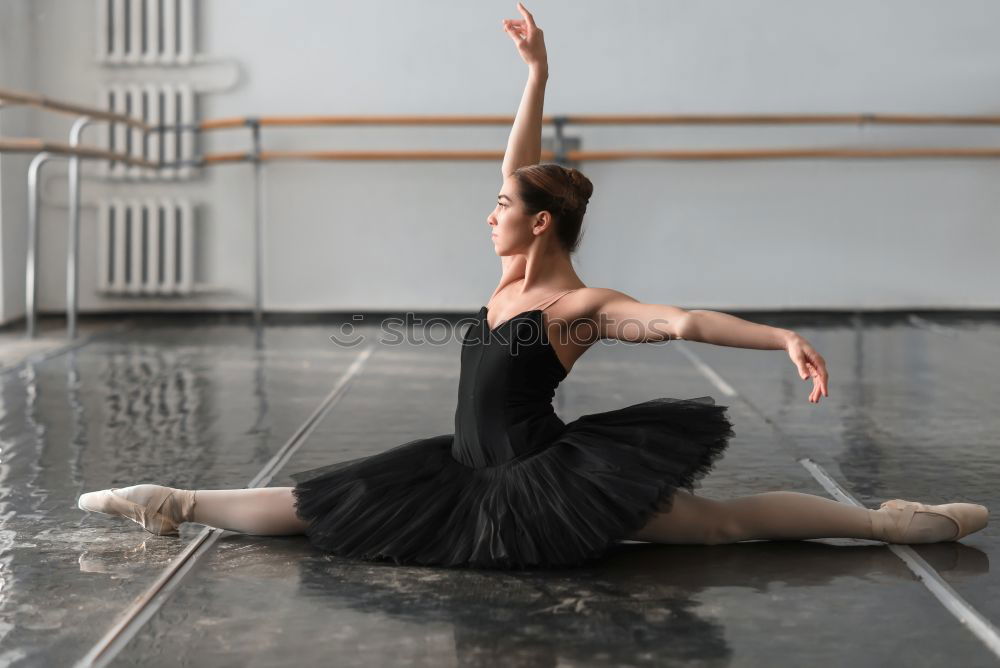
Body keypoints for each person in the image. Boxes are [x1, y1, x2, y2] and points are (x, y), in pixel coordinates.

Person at [78, 3, 988, 569]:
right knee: (324, 502)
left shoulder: (575, 308)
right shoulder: (509, 278)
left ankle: (886, 524)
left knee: (716, 528)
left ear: (539, 223)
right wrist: (537, 75)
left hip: (543, 479)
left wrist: (780, 338)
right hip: (465, 465)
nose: (488, 214)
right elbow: (516, 163)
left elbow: (679, 318)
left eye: (500, 207)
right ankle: (176, 501)